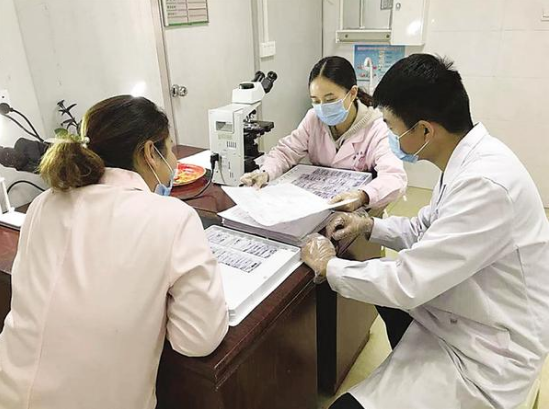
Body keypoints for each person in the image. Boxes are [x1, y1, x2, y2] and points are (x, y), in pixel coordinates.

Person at [302, 54, 549, 409]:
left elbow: (408, 282)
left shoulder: (486, 185)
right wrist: (369, 225)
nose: (389, 136)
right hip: (464, 312)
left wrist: (329, 267)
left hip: (488, 352)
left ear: (424, 130)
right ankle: (407, 364)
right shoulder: (468, 161)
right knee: (378, 284)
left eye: (392, 127)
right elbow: (426, 228)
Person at [0, 95, 229, 409]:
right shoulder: (172, 218)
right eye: (171, 149)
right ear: (149, 153)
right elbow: (198, 338)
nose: (175, 162)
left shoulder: (43, 203)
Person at [241, 55, 407, 212]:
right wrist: (265, 173)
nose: (322, 107)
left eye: (330, 100)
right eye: (315, 100)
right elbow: (286, 152)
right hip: (316, 204)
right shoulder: (313, 118)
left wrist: (362, 196)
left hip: (359, 210)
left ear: (352, 93)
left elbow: (394, 177)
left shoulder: (377, 127)